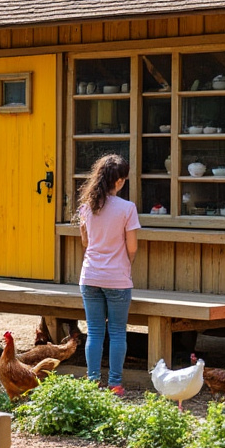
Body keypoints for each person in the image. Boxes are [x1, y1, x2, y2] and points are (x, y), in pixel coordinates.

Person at [76, 154, 139, 397]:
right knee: (117, 332)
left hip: (90, 275)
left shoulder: (86, 207)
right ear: (120, 181)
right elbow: (131, 247)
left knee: (94, 331)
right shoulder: (127, 208)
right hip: (117, 278)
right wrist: (126, 264)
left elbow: (85, 241)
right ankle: (115, 384)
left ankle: (93, 382)